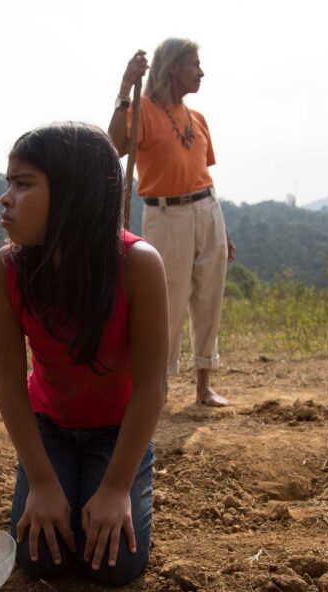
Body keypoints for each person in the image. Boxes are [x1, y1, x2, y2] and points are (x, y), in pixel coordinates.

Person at [0, 122, 168, 587]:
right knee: (38, 557)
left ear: (73, 193)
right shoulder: (7, 268)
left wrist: (115, 489)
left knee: (115, 566)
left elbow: (152, 386)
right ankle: (60, 482)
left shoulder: (138, 265)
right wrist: (43, 484)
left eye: (23, 183)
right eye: (8, 183)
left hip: (117, 430)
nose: (5, 197)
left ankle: (115, 483)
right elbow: (10, 384)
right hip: (48, 427)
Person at [108, 39, 235, 407]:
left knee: (209, 297)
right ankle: (157, 387)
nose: (201, 72)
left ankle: (203, 385)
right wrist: (123, 90)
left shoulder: (198, 119)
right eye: (194, 65)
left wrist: (221, 228)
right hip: (166, 214)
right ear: (171, 68)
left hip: (207, 209)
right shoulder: (143, 110)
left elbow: (202, 175)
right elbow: (114, 145)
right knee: (167, 302)